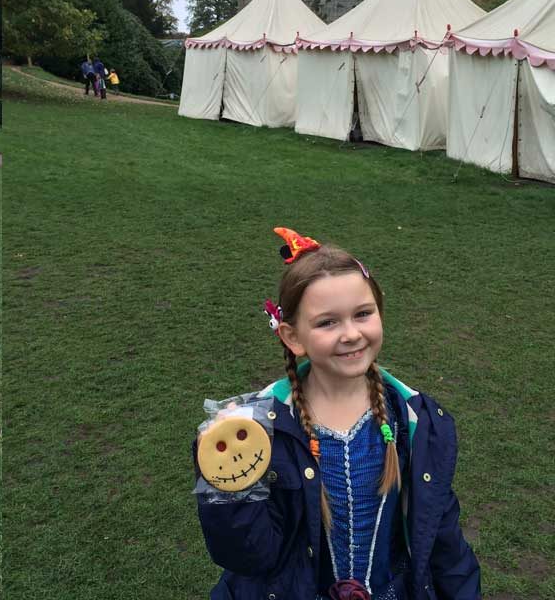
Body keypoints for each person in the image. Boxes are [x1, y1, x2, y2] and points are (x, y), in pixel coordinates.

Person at [194, 227, 481, 600]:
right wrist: (229, 485)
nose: (351, 334)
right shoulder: (259, 428)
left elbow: (442, 539)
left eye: (363, 314)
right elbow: (248, 557)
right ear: (293, 337)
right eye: (327, 322)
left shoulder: (416, 420)